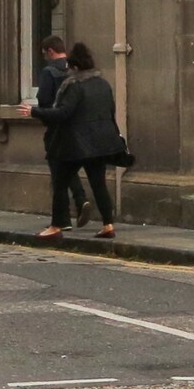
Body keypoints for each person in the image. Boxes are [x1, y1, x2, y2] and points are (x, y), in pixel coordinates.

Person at [38, 41, 118, 240]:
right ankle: (108, 225)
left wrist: (34, 111)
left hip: (76, 143)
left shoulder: (74, 86)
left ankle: (56, 225)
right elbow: (110, 111)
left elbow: (64, 112)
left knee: (60, 181)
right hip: (101, 142)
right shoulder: (103, 84)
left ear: (74, 66)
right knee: (99, 183)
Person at [27, 35, 89, 229]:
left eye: (45, 54)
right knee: (68, 167)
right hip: (77, 127)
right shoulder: (76, 70)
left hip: (56, 127)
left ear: (50, 51)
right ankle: (80, 200)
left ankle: (62, 220)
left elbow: (44, 99)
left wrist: (43, 116)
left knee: (58, 171)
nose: (45, 58)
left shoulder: (49, 72)